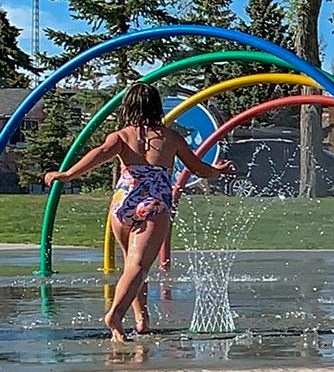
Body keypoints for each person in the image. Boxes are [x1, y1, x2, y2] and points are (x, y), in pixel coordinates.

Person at [45, 83, 234, 342]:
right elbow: (198, 169)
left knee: (132, 266)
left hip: (123, 202)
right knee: (138, 265)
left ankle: (141, 320)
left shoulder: (121, 137)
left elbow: (99, 154)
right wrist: (218, 171)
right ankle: (115, 314)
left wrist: (68, 174)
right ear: (156, 107)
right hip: (153, 203)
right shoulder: (170, 138)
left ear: (127, 107)